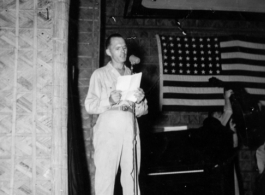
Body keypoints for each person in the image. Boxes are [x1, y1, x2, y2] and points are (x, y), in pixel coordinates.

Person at [85, 33, 148, 195]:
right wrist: (109, 101)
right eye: (117, 48)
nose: (123, 51)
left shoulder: (132, 75)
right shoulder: (100, 74)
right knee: (105, 176)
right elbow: (90, 106)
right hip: (109, 128)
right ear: (108, 52)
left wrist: (140, 101)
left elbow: (142, 111)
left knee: (132, 176)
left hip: (130, 127)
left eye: (124, 47)